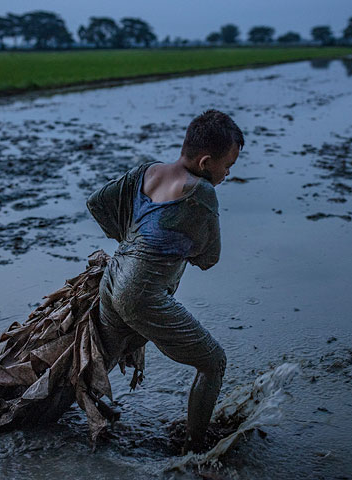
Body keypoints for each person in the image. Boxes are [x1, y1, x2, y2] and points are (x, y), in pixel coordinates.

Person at [86, 109, 244, 453]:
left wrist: (131, 240)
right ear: (205, 162)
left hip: (113, 281)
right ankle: (195, 451)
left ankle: (42, 412)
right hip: (140, 295)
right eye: (227, 166)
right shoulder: (201, 192)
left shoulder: (148, 171)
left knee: (103, 362)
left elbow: (98, 202)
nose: (228, 174)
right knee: (213, 362)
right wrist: (162, 246)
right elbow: (209, 258)